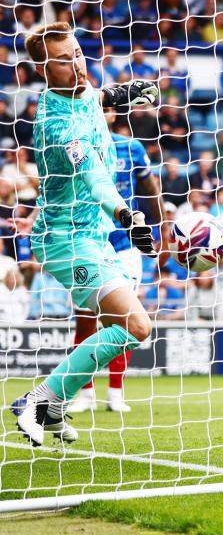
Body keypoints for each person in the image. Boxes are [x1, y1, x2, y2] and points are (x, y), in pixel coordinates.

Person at [11, 22, 160, 446]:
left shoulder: (83, 94)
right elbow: (95, 177)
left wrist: (125, 91)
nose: (76, 64)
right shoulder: (58, 127)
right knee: (136, 325)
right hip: (67, 239)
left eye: (77, 53)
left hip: (92, 236)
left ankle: (54, 404)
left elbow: (97, 96)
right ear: (44, 70)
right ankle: (40, 401)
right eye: (63, 60)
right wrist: (126, 214)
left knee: (123, 328)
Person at [67, 116, 164, 414]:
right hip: (86, 243)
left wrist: (162, 230)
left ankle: (116, 392)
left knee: (123, 321)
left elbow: (150, 190)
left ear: (112, 115)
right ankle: (85, 393)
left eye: (106, 109)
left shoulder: (131, 148)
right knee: (84, 320)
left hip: (124, 247)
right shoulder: (75, 150)